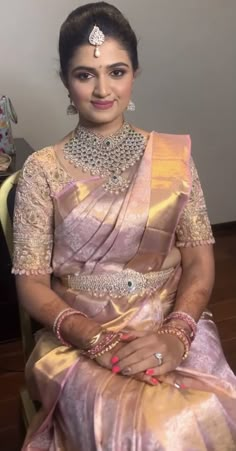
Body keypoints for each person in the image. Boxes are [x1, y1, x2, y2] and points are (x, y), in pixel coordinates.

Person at [12, 2, 236, 450]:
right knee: (140, 432)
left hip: (168, 320)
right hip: (78, 336)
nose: (101, 89)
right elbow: (32, 284)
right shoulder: (42, 170)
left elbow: (199, 263)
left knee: (200, 411)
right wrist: (95, 340)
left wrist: (175, 335)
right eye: (84, 74)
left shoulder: (173, 158)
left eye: (116, 71)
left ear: (134, 73)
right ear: (65, 80)